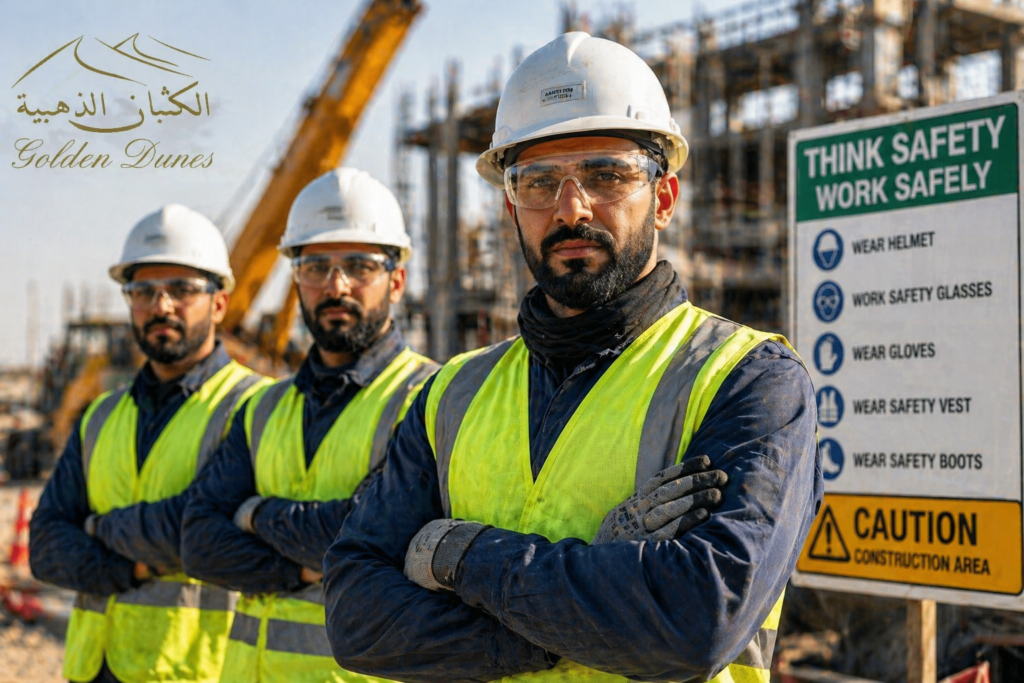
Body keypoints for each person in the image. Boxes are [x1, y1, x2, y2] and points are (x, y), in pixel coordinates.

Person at [322, 32, 824, 683]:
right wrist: (572, 617)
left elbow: (695, 619)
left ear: (664, 199)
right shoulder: (452, 394)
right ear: (511, 208)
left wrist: (460, 553)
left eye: (605, 174)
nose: (570, 207)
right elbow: (357, 620)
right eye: (537, 181)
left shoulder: (749, 381)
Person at [181, 168, 437, 683]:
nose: (335, 286)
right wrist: (299, 569)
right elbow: (198, 541)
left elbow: (376, 538)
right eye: (316, 266)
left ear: (397, 279)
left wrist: (252, 514)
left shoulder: (432, 398)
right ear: (296, 277)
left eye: (359, 266)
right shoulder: (262, 408)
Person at [30, 204, 270, 683]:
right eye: (144, 292)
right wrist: (133, 570)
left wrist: (95, 528)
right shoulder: (100, 415)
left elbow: (201, 533)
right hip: (94, 667)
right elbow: (45, 545)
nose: (161, 306)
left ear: (219, 303)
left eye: (182, 290)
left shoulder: (256, 407)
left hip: (196, 670)